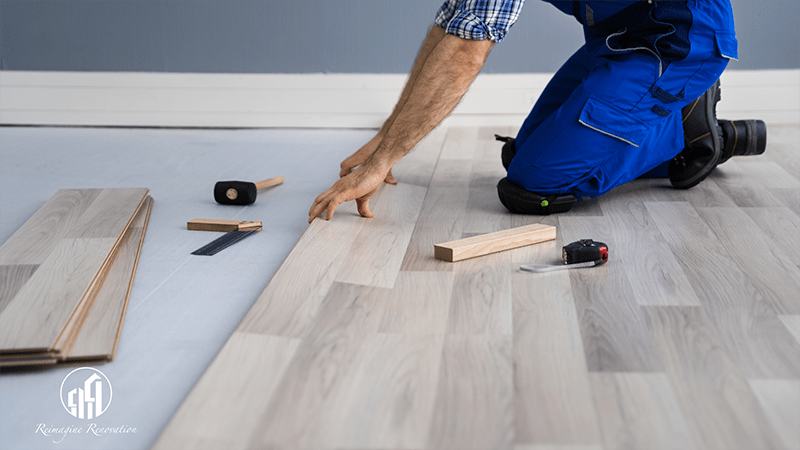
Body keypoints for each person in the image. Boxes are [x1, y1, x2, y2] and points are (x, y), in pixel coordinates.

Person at [308, 0, 766, 223]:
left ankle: (689, 130)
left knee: (535, 186)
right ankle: (675, 122)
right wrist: (388, 138)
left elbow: (466, 50)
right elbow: (453, 24)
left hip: (678, 44)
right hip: (619, 41)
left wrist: (384, 159)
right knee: (522, 157)